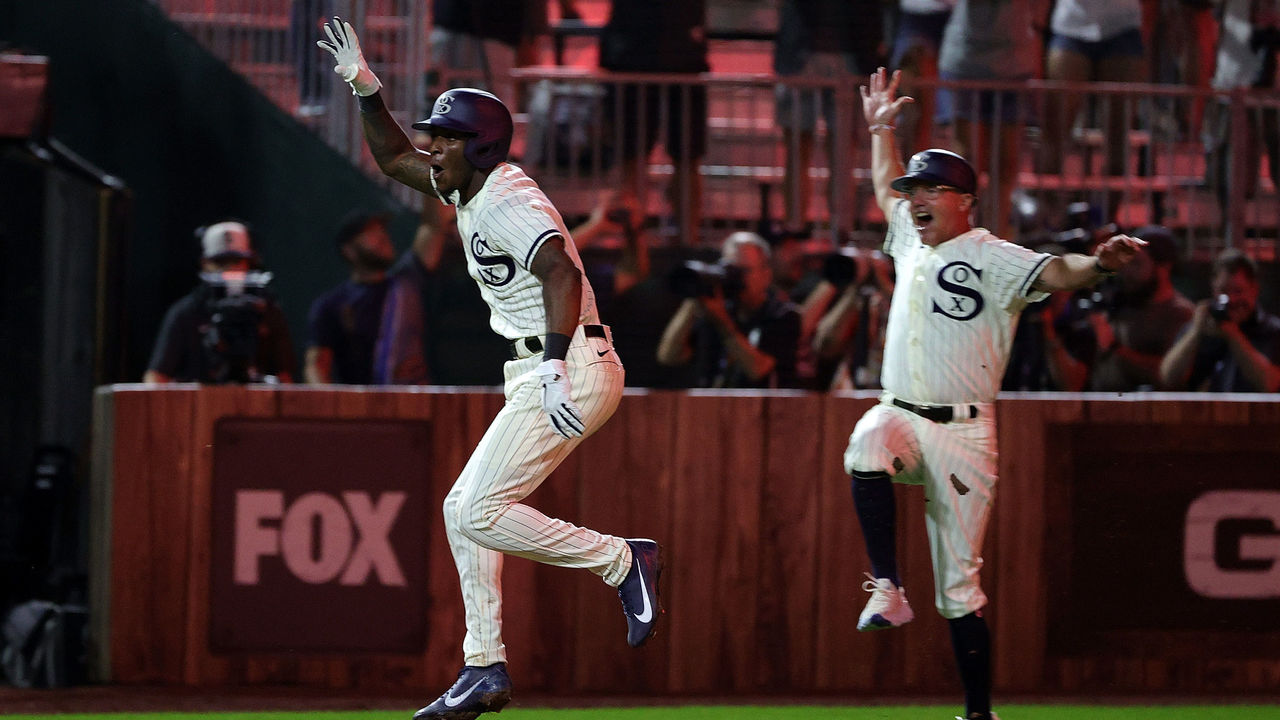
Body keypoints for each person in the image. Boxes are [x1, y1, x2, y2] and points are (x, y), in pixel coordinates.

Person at [318, 20, 663, 720]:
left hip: (569, 363)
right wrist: (365, 87)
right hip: (547, 364)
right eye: (436, 136)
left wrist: (555, 369)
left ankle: (623, 561)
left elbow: (562, 273)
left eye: (445, 138)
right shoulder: (467, 187)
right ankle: (483, 668)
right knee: (461, 511)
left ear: (478, 145)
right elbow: (392, 159)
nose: (433, 148)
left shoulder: (508, 198)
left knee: (477, 509)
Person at [848, 68, 1145, 720]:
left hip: (963, 433)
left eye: (931, 189)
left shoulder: (995, 254)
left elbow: (1058, 271)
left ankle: (979, 714)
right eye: (914, 188)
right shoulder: (908, 239)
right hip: (903, 415)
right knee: (867, 439)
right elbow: (880, 186)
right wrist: (879, 129)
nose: (915, 198)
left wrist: (1098, 264)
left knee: (959, 587)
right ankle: (889, 586)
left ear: (964, 201)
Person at [598, 0, 709, 245]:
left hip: (679, 53)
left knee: (686, 156)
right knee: (634, 157)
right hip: (634, 51)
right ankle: (635, 245)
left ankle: (685, 242)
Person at [773, 0, 885, 237]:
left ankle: (836, 231)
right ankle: (803, 231)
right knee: (804, 151)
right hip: (805, 55)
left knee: (839, 154)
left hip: (845, 56)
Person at [937, 0, 1047, 239]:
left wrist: (1036, 32)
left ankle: (993, 243)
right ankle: (960, 238)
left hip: (1016, 64)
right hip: (965, 60)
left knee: (1006, 164)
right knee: (967, 164)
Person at [144, 221, 295, 385]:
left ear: (250, 262)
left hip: (254, 407)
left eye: (236, 261)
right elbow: (156, 377)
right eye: (220, 262)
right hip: (199, 406)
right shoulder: (187, 311)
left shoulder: (267, 310)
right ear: (205, 264)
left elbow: (285, 377)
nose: (229, 270)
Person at [655, 231, 804, 388]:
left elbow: (758, 370)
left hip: (764, 409)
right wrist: (694, 297)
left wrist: (723, 323)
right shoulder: (716, 312)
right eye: (729, 269)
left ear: (765, 275)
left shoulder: (783, 315)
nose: (734, 278)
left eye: (743, 271)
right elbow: (668, 356)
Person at [305, 211, 430, 384]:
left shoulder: (407, 284)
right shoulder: (331, 305)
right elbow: (316, 366)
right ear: (349, 251)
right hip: (362, 407)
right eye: (370, 233)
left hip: (415, 404)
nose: (382, 236)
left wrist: (434, 184)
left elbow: (432, 228)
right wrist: (333, 408)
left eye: (382, 230)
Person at [1083, 225, 1194, 391]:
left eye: (1136, 263)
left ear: (1163, 267)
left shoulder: (1179, 314)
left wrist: (1115, 348)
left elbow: (1171, 375)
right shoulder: (1121, 303)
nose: (1127, 272)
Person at [1159, 247, 1280, 392]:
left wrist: (1233, 336)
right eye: (1223, 291)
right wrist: (1195, 333)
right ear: (1213, 288)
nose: (1231, 300)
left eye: (1238, 291)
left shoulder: (1273, 332)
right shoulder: (1202, 328)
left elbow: (1270, 384)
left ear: (1254, 289)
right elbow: (1169, 378)